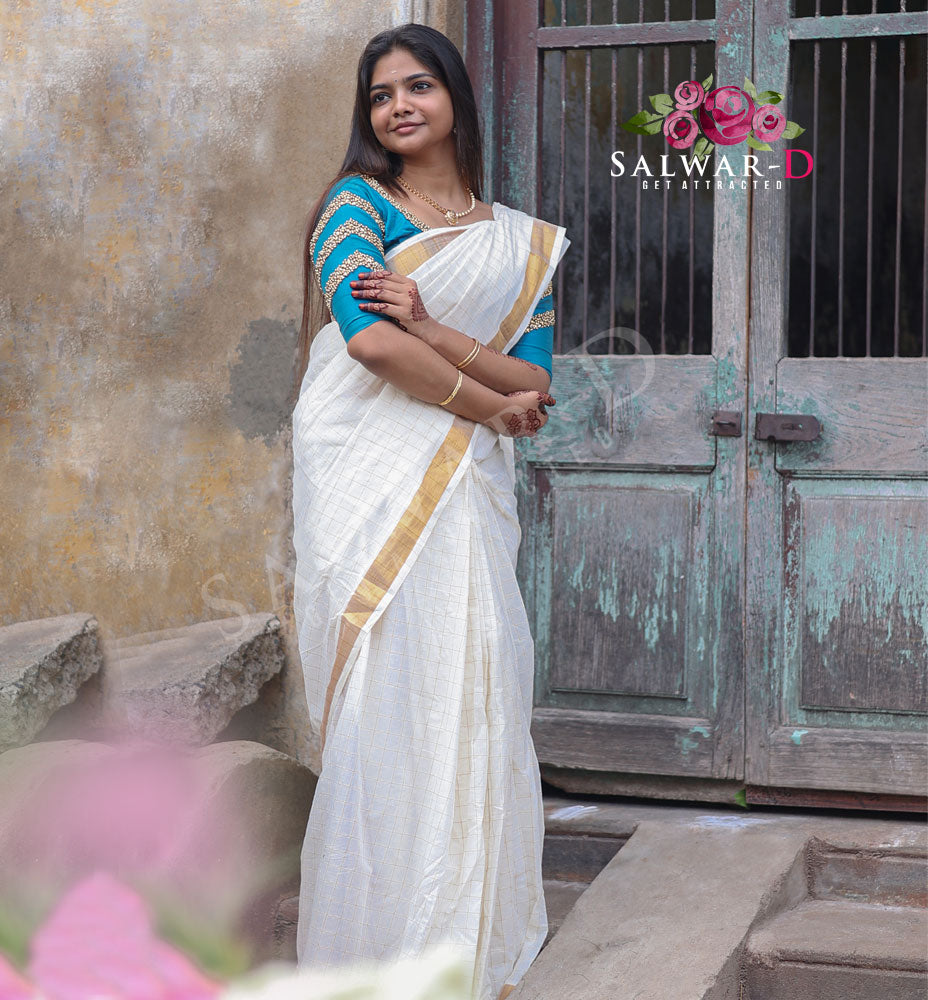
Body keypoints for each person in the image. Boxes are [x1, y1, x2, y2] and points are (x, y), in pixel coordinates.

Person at [290, 22, 569, 1000]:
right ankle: (375, 941)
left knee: (476, 673)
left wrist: (435, 324)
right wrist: (489, 406)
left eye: (417, 85)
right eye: (379, 95)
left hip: (462, 480)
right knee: (385, 691)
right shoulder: (354, 204)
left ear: (455, 95)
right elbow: (366, 346)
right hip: (368, 464)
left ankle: (462, 929)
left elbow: (533, 370)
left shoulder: (517, 241)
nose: (399, 105)